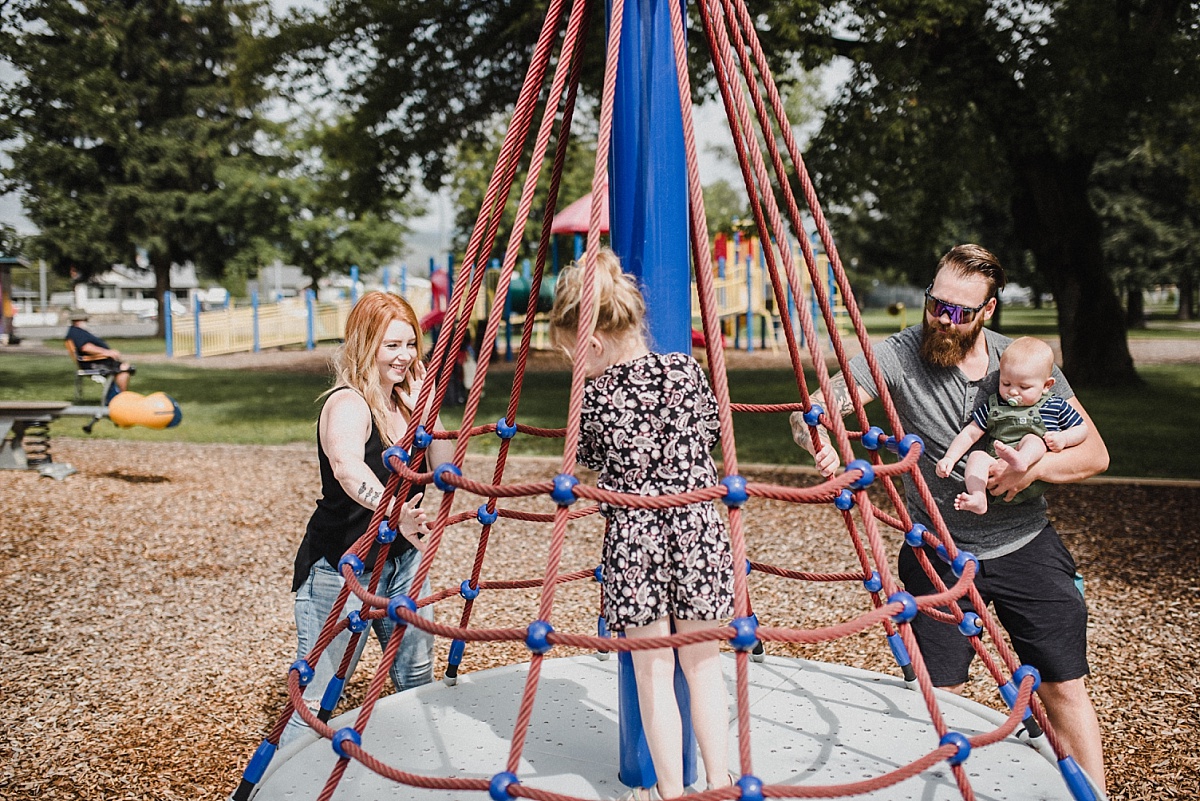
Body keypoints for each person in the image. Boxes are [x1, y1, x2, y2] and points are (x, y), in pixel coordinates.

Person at [789, 244, 1108, 790]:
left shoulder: (1024, 364)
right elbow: (813, 410)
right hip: (934, 549)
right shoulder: (899, 354)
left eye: (961, 312)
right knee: (936, 700)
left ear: (988, 312)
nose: (944, 320)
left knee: (1062, 687)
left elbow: (1095, 454)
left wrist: (1032, 472)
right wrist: (816, 437)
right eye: (937, 305)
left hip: (1023, 543)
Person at [548, 250, 736, 800]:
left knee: (653, 674)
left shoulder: (596, 396)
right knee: (703, 668)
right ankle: (720, 782)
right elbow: (706, 434)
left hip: (637, 540)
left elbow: (582, 461)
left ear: (596, 344)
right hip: (700, 528)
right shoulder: (686, 369)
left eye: (573, 356)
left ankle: (671, 792)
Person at [280, 291, 454, 747]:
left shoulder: (409, 402)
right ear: (365, 345)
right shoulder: (348, 403)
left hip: (402, 562)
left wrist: (428, 413)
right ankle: (280, 780)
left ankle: (417, 767)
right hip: (343, 568)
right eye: (391, 345)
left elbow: (445, 471)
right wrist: (396, 512)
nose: (404, 356)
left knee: (417, 675)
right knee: (317, 696)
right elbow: (347, 468)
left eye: (410, 343)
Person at [936, 336, 1089, 514]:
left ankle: (1021, 460)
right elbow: (970, 433)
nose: (1013, 391)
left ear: (1047, 385)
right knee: (977, 456)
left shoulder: (1054, 406)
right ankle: (978, 497)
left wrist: (1063, 438)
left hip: (1029, 474)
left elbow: (1082, 429)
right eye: (1006, 383)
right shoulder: (995, 405)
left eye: (1024, 387)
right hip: (995, 469)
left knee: (1033, 439)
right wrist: (950, 458)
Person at [65, 310, 135, 397]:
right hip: (92, 363)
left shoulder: (76, 331)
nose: (87, 321)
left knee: (124, 367)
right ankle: (119, 397)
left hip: (95, 361)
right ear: (80, 319)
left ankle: (118, 396)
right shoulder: (77, 332)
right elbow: (86, 347)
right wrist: (107, 353)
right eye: (85, 319)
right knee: (124, 368)